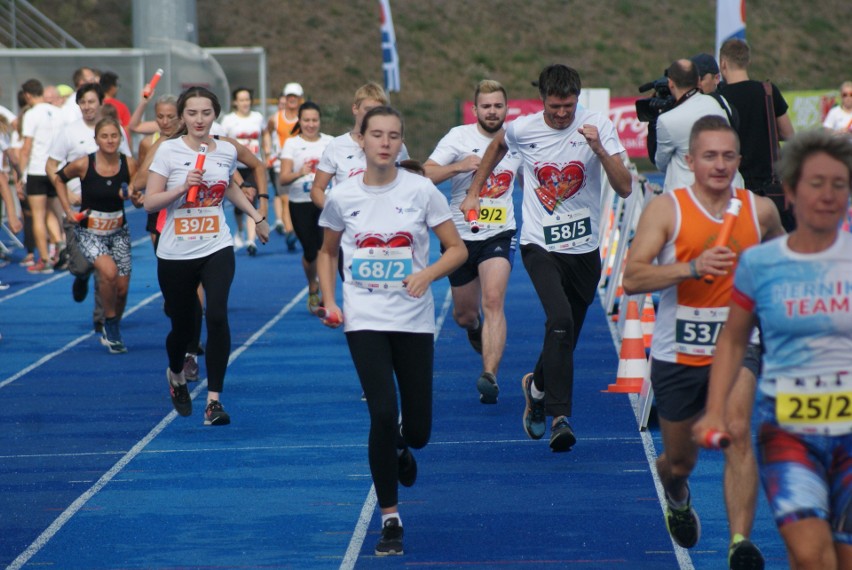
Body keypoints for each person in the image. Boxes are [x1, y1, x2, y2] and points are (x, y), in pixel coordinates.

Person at [623, 115, 784, 567]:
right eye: (709, 156)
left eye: (728, 156)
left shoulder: (760, 211)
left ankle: (739, 544)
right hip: (678, 351)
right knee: (679, 463)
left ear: (739, 159)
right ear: (690, 160)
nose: (719, 165)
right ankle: (676, 496)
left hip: (737, 345)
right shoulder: (668, 209)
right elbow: (633, 277)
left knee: (736, 433)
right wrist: (691, 268)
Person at [694, 129, 852, 570]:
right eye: (815, 184)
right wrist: (713, 409)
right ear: (792, 189)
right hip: (789, 430)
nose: (827, 196)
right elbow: (733, 338)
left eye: (838, 184)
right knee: (810, 552)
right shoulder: (760, 264)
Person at [317, 106, 467, 556]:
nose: (385, 142)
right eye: (376, 134)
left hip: (413, 319)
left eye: (394, 136)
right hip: (364, 317)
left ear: (402, 143)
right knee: (382, 412)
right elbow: (327, 253)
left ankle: (402, 446)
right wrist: (330, 300)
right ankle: (391, 519)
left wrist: (428, 275)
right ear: (359, 140)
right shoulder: (342, 196)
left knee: (417, 429)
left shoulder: (422, 191)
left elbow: (456, 249)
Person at [467, 64, 632, 452]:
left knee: (565, 335)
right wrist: (475, 191)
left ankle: (536, 387)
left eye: (569, 106)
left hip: (585, 249)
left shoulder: (598, 126)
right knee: (558, 319)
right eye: (555, 106)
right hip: (538, 243)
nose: (562, 114)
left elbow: (624, 187)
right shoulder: (523, 129)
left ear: (579, 99)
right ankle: (560, 417)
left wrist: (599, 150)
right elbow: (497, 148)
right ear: (542, 100)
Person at [144, 86, 270, 426]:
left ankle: (214, 401)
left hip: (216, 245)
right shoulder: (168, 151)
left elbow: (227, 185)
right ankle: (175, 373)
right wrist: (182, 188)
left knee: (216, 315)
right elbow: (149, 201)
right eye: (192, 114)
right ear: (182, 117)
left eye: (206, 113)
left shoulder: (225, 149)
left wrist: (256, 216)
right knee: (184, 327)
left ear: (215, 115)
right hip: (174, 253)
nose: (199, 120)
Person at [423, 79, 521, 404]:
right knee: (465, 315)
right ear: (475, 108)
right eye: (486, 106)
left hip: (499, 232)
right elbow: (424, 174)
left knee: (493, 300)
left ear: (506, 108)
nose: (492, 112)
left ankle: (489, 375)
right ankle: (475, 328)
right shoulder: (458, 137)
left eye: (498, 106)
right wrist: (458, 166)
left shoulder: (518, 138)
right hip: (459, 239)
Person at [53, 117, 137, 353]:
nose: (110, 141)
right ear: (96, 139)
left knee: (121, 290)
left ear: (120, 139)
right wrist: (68, 209)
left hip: (119, 232)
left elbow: (139, 195)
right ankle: (108, 325)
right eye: (105, 136)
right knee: (108, 273)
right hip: (90, 231)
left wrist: (137, 198)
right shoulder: (83, 164)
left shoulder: (130, 164)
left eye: (114, 136)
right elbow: (59, 179)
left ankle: (113, 324)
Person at [718, 39, 796, 229]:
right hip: (770, 187)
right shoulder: (767, 91)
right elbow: (788, 134)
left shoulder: (718, 98)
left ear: (723, 63)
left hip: (734, 187)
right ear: (748, 61)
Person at [309, 82, 408, 210]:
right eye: (367, 110)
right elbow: (317, 189)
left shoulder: (394, 145)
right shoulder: (337, 146)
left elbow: (412, 181)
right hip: (350, 226)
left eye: (377, 111)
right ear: (355, 109)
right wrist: (335, 213)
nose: (372, 116)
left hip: (386, 221)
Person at [278, 101, 333, 313]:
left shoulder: (330, 142)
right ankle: (313, 284)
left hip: (325, 201)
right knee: (310, 252)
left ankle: (326, 296)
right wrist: (300, 172)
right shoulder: (291, 144)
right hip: (300, 203)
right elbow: (283, 178)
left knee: (324, 248)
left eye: (314, 120)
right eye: (306, 120)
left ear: (320, 121)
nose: (311, 124)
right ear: (300, 121)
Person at [654, 59, 736, 193]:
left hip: (685, 199)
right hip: (723, 191)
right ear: (698, 80)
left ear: (670, 83)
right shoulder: (719, 103)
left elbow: (661, 164)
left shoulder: (667, 120)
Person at [18, 78, 64, 274]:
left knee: (38, 215)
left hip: (37, 169)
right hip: (55, 168)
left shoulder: (31, 114)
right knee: (51, 212)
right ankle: (60, 244)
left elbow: (26, 147)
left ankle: (44, 259)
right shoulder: (57, 112)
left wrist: (21, 175)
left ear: (28, 95)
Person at [220, 86, 266, 255]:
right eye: (242, 100)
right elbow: (222, 141)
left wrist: (265, 154)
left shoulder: (257, 117)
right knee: (239, 206)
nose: (245, 103)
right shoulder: (228, 120)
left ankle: (250, 240)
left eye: (247, 99)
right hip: (236, 167)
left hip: (253, 165)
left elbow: (265, 134)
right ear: (235, 102)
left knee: (251, 201)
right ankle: (239, 230)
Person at [263, 83, 302, 248]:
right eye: (289, 96)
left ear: (300, 99)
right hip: (280, 165)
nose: (292, 99)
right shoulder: (276, 118)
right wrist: (267, 151)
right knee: (285, 199)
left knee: (301, 200)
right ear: (285, 98)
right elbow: (266, 132)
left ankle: (299, 227)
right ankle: (290, 232)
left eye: (295, 96)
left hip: (300, 165)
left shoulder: (304, 118)